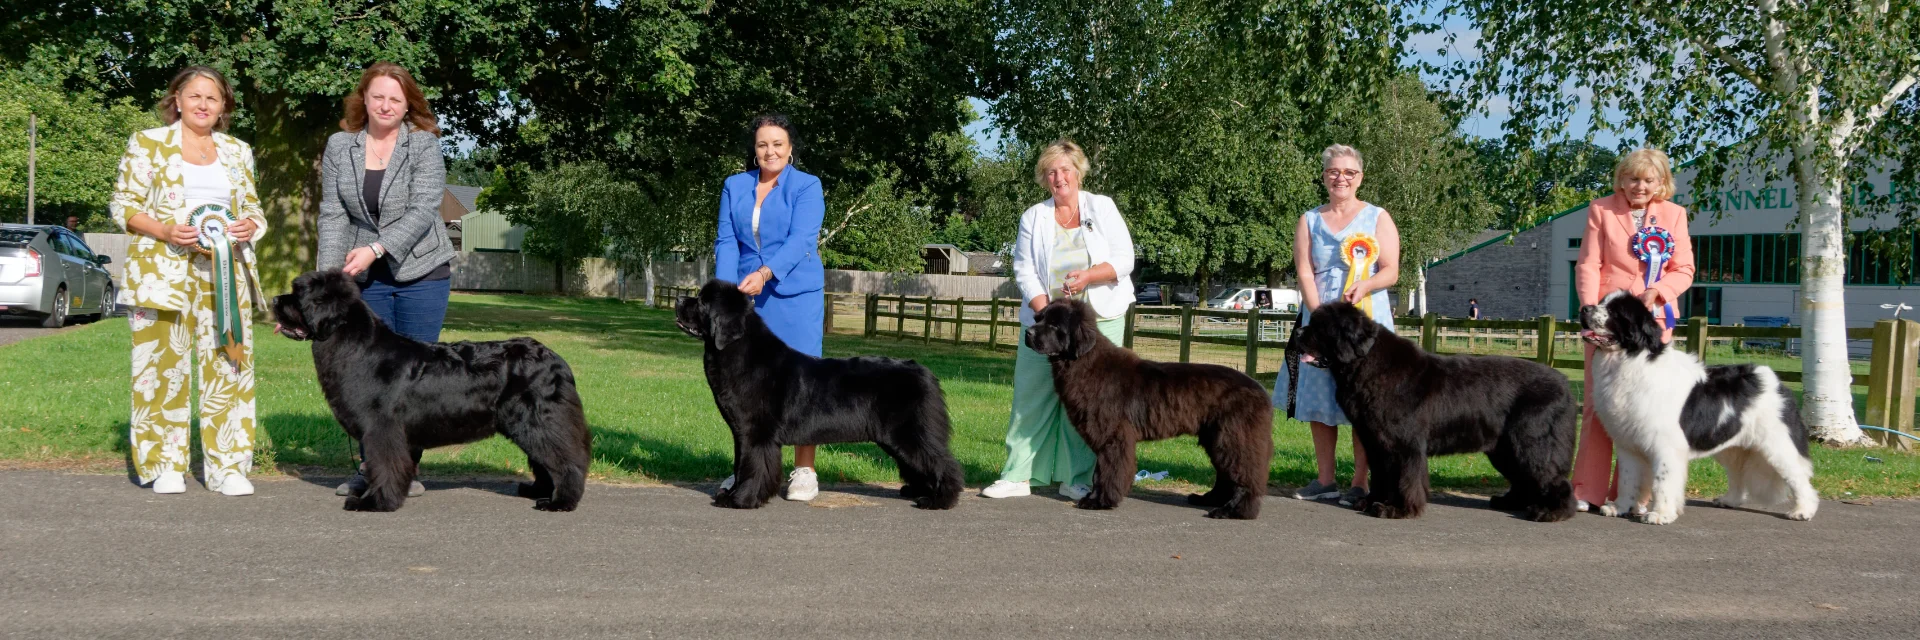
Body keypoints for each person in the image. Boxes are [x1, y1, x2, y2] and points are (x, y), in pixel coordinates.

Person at [109, 66, 268, 496]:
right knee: (160, 370)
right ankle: (165, 465)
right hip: (160, 273)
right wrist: (164, 230)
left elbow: (253, 208)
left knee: (229, 364)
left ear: (223, 107)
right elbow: (123, 205)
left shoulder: (238, 151)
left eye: (212, 98)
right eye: (194, 96)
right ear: (176, 99)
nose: (203, 105)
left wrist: (250, 226)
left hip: (225, 274)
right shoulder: (147, 143)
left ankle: (227, 466)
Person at [319, 62, 455, 498]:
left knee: (411, 379)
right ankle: (370, 469)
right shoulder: (340, 146)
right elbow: (333, 214)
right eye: (378, 96)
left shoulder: (423, 146)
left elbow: (423, 210)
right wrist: (329, 280)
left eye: (395, 99)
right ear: (364, 99)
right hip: (365, 277)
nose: (385, 105)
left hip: (422, 271)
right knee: (368, 378)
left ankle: (405, 470)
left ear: (408, 104)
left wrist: (377, 248)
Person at [980, 138, 1136, 500]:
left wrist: (1088, 276)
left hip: (1099, 319)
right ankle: (1017, 475)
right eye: (1051, 172)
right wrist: (1043, 312)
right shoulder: (1033, 216)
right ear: (1044, 179)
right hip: (1046, 321)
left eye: (1065, 170)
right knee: (1030, 396)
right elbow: (1023, 268)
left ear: (1078, 172)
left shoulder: (1103, 207)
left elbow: (1124, 258)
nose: (1059, 177)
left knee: (1088, 403)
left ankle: (1077, 478)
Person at [713, 114, 827, 501]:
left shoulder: (808, 186)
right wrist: (727, 294)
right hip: (748, 301)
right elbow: (727, 242)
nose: (770, 151)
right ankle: (749, 472)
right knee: (748, 389)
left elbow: (801, 240)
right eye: (763, 144)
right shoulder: (734, 186)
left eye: (777, 143)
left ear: (790, 148)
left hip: (795, 296)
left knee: (802, 385)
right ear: (754, 148)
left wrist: (765, 273)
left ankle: (804, 471)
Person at [1573, 148, 1695, 513]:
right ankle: (1586, 490)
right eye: (1632, 179)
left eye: (1648, 180)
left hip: (1651, 323)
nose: (1639, 186)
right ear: (1621, 180)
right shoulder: (1601, 209)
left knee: (1647, 413)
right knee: (1599, 407)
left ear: (1661, 183)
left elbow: (1684, 268)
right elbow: (1589, 263)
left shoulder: (1675, 215)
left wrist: (1660, 291)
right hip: (1609, 323)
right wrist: (1590, 308)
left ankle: (1633, 496)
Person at [1278, 144, 1400, 507]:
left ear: (1360, 177)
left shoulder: (1378, 217)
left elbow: (1391, 270)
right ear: (1324, 177)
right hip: (1319, 319)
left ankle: (1360, 482)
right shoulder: (1309, 220)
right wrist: (1318, 317)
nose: (1341, 178)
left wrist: (1366, 284)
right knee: (1318, 397)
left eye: (1349, 172)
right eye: (1334, 171)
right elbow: (1304, 270)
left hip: (1365, 319)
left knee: (1366, 400)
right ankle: (1324, 479)